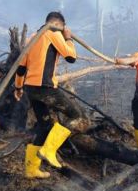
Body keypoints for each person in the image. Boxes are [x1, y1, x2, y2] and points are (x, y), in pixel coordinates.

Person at [14, 11, 87, 179]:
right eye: (63, 28)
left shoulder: (32, 37)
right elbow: (71, 57)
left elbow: (21, 68)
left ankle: (31, 170)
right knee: (76, 115)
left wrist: (18, 88)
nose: (63, 31)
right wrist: (68, 38)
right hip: (45, 87)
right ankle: (49, 150)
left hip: (31, 88)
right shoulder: (54, 32)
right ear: (58, 24)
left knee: (45, 126)